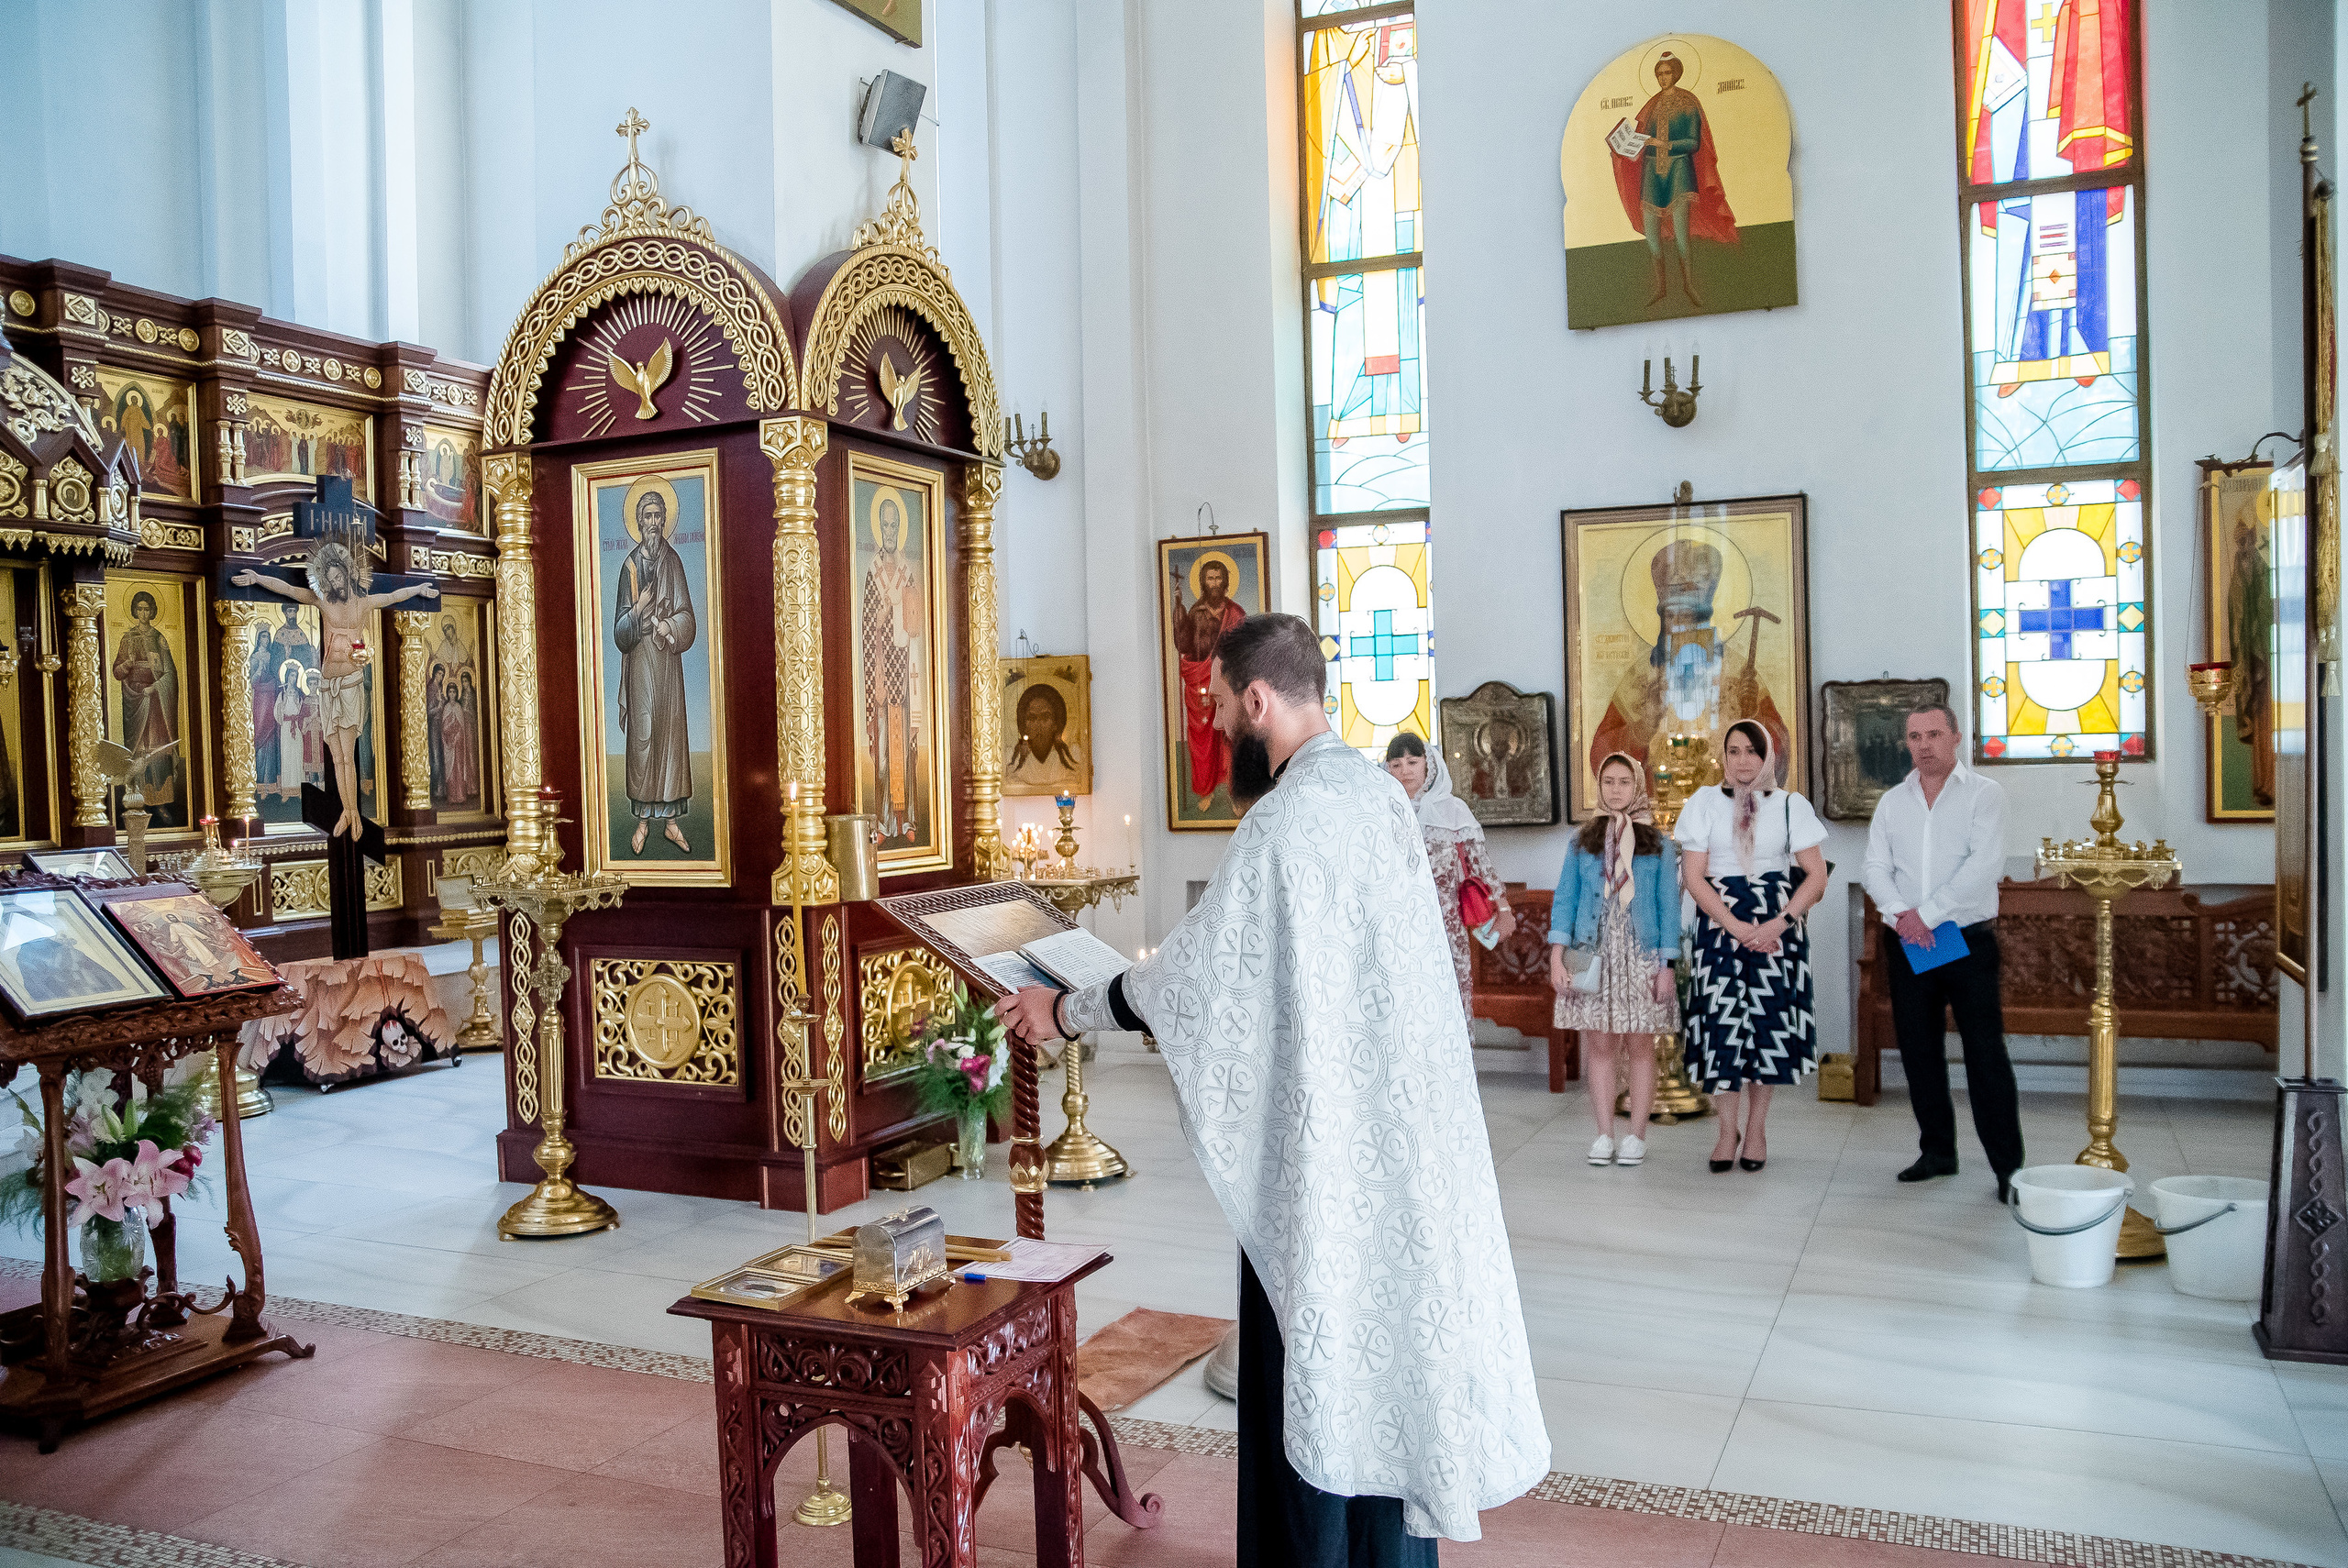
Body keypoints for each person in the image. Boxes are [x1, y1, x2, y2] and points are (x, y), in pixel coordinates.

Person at [997, 613, 1546, 1563]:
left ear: (1256, 700)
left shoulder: (1286, 820)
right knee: (1387, 1364)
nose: (1212, 727)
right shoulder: (1377, 797)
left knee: (1316, 1357)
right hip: (1401, 1142)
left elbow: (1194, 981)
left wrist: (1067, 1010)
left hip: (1324, 1163)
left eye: (1214, 706)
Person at [1861, 702, 2023, 1199]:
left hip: (1965, 939)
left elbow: (1985, 864)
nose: (1923, 745)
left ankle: (2008, 1170)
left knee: (1984, 1054)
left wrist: (1925, 917)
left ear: (1955, 737)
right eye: (1914, 736)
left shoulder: (1984, 795)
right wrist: (1900, 915)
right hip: (1909, 941)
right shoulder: (1892, 801)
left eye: (1933, 734)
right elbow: (1874, 868)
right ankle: (1937, 1151)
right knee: (1919, 1049)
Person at [1675, 719, 1828, 1172]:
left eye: (1752, 751)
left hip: (1778, 927)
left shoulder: (1790, 806)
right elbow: (1693, 876)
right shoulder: (1703, 803)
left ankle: (1757, 1129)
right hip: (1721, 923)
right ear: (1723, 756)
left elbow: (1815, 877)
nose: (1742, 761)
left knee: (1767, 1029)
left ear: (1768, 757)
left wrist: (1780, 923)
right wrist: (1735, 926)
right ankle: (1726, 1131)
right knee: (1723, 1031)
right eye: (1734, 750)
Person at [233, 536, 437, 837]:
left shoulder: (365, 603)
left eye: (338, 576)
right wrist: (257, 577)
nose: (334, 583)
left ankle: (354, 812)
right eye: (329, 579)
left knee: (348, 752)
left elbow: (394, 596)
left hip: (351, 684)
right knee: (337, 756)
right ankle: (347, 810)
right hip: (328, 685)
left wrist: (419, 589)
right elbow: (289, 589)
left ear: (349, 575)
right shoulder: (322, 602)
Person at [1548, 752, 1680, 1167]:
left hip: (1641, 954)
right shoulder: (1582, 841)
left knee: (1641, 1047)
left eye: (1625, 782)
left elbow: (1668, 910)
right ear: (1600, 787)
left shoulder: (1657, 844)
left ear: (1638, 786)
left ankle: (1636, 1136)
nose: (1617, 789)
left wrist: (1667, 967)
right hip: (1592, 952)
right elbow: (1565, 900)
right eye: (1609, 782)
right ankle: (1604, 1133)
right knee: (1599, 1046)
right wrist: (1556, 958)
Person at [1384, 732, 1513, 1026]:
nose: (1404, 771)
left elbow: (1480, 863)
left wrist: (1503, 909)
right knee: (1405, 1005)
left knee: (1449, 999)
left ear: (1428, 764)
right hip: (1396, 924)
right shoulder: (1382, 811)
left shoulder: (1453, 810)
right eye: (1395, 764)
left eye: (1412, 762)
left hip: (1446, 922)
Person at [1608, 49, 1738, 308]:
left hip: (1679, 171)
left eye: (1667, 73)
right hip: (1652, 173)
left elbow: (1692, 143)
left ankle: (1689, 285)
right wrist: (1626, 145)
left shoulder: (1689, 102)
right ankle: (1661, 287)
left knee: (1681, 234)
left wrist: (1662, 144)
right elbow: (1643, 139)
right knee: (1651, 234)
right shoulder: (1652, 105)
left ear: (1676, 73)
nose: (1663, 78)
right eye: (1659, 74)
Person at [615, 485, 697, 853]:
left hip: (666, 661)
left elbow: (688, 618)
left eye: (658, 516)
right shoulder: (628, 568)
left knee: (669, 736)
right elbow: (619, 632)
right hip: (640, 661)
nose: (653, 523)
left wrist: (669, 626)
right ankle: (643, 822)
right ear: (639, 521)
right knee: (644, 734)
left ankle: (671, 822)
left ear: (665, 520)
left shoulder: (674, 562)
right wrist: (638, 609)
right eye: (647, 516)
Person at [860, 494, 924, 843]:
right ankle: (884, 822)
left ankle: (908, 820)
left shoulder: (906, 572)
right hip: (881, 672)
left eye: (894, 524)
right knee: (884, 756)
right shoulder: (872, 573)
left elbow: (914, 618)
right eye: (884, 524)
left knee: (907, 752)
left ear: (899, 530)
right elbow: (868, 624)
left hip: (906, 670)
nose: (889, 530)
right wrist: (880, 618)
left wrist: (900, 611)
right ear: (878, 528)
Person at [1169, 555, 1247, 810]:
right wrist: (1179, 610)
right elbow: (1183, 645)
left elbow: (1245, 651)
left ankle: (1236, 793)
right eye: (1209, 578)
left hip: (1228, 683)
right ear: (1203, 582)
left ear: (1225, 581)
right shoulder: (1196, 612)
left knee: (1232, 737)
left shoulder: (1236, 613)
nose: (1214, 583)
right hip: (1199, 682)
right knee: (1202, 738)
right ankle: (1205, 791)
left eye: (1218, 578)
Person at [111, 590, 181, 823]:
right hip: (135, 699)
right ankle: (136, 799)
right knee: (138, 750)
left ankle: (159, 803)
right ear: (134, 611)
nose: (143, 613)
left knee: (157, 749)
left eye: (147, 609)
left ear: (152, 611)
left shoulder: (159, 638)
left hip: (156, 701)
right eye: (139, 609)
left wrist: (157, 686)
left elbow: (171, 673)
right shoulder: (127, 638)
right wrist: (128, 664)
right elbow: (117, 672)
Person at [1002, 682, 1084, 793]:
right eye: (1032, 718)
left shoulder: (1073, 754)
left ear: (1056, 723)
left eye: (1045, 717)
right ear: (1024, 725)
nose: (1038, 725)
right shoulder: (1010, 757)